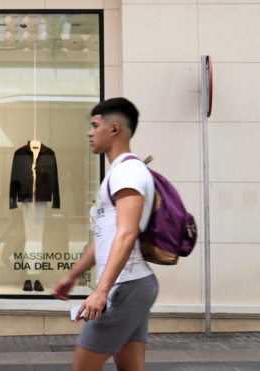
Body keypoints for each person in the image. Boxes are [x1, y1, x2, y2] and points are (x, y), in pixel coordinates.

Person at [52, 98, 159, 371]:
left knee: (83, 368)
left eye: (95, 125)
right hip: (133, 286)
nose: (90, 132)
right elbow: (104, 239)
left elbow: (126, 234)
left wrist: (102, 292)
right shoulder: (120, 172)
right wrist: (72, 275)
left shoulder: (127, 172)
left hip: (124, 288)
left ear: (114, 129)